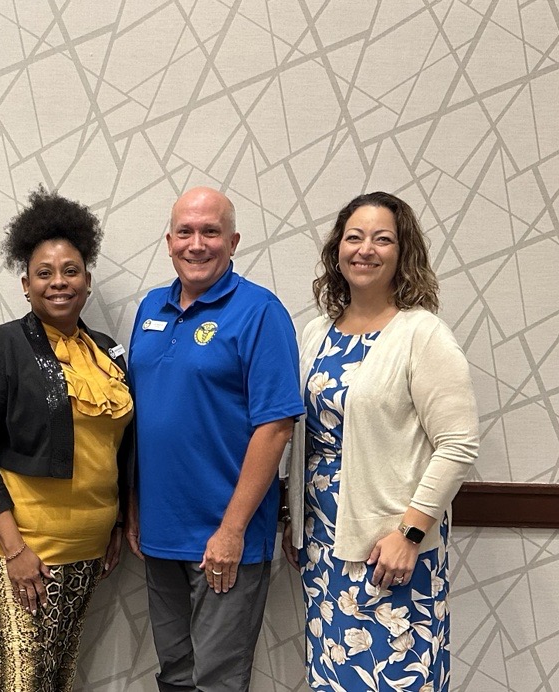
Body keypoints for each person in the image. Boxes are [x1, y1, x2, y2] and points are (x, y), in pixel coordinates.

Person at [281, 191, 479, 691]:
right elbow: (302, 434)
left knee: (392, 677)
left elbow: (457, 444)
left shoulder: (423, 334)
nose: (365, 249)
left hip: (390, 547)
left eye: (382, 239)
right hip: (323, 541)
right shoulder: (316, 333)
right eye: (354, 237)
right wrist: (294, 518)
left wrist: (409, 535)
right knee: (331, 674)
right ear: (337, 250)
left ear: (402, 252)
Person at [0, 187, 133, 692]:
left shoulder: (107, 353)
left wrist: (117, 522)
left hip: (88, 543)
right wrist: (14, 548)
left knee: (57, 671)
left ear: (88, 281)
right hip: (20, 540)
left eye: (70, 270)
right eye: (44, 272)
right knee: (23, 676)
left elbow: (116, 450)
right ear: (26, 284)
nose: (59, 282)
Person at [126, 186, 304, 692]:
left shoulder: (260, 312)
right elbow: (145, 417)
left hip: (224, 538)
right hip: (160, 532)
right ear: (168, 240)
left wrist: (231, 531)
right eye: (186, 231)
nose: (197, 244)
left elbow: (275, 428)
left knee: (218, 680)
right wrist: (135, 504)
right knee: (176, 675)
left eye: (210, 231)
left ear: (233, 241)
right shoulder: (150, 309)